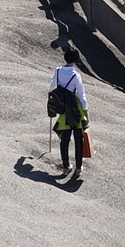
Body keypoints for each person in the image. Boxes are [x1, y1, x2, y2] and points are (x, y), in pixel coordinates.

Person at [46, 52, 89, 181]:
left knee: (65, 139)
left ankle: (66, 166)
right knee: (78, 140)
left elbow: (52, 87)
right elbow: (81, 96)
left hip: (63, 109)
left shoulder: (58, 70)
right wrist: (85, 112)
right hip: (75, 109)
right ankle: (78, 167)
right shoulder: (76, 75)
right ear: (76, 61)